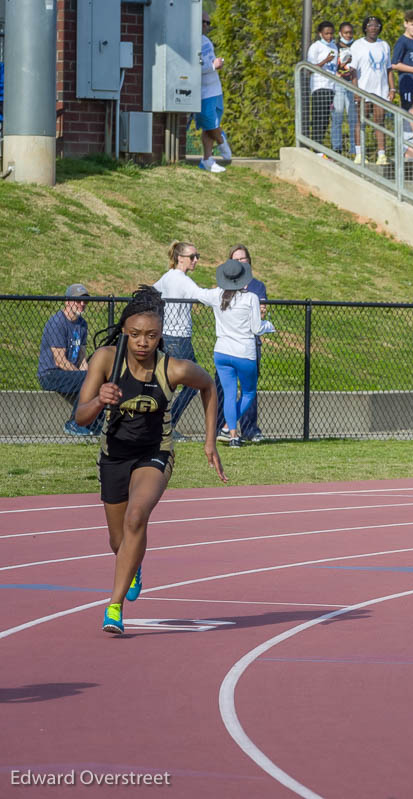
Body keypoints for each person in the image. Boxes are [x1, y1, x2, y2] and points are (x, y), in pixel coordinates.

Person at [75, 286, 226, 635]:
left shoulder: (172, 368)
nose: (143, 342)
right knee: (119, 542)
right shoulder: (105, 360)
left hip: (155, 453)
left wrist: (209, 442)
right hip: (114, 455)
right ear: (125, 332)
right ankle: (134, 563)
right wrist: (99, 400)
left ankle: (114, 607)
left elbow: (208, 386)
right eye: (135, 334)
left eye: (151, 336)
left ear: (160, 336)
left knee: (137, 516)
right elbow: (80, 417)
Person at [196, 260, 276, 447]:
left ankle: (231, 434)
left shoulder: (216, 295)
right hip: (244, 353)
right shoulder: (251, 298)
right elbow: (256, 327)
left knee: (230, 394)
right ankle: (228, 428)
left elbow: (198, 293)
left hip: (222, 352)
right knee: (248, 392)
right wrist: (269, 326)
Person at [153, 241, 207, 432]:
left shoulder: (168, 277)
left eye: (197, 256)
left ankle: (161, 424)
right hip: (179, 339)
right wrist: (224, 294)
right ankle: (168, 424)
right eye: (192, 257)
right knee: (194, 384)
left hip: (167, 337)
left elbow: (152, 291)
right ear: (180, 258)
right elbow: (200, 295)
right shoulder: (180, 279)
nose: (196, 260)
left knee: (167, 383)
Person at [38, 284, 99, 436]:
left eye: (85, 301)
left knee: (96, 378)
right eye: (78, 301)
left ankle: (93, 424)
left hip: (70, 373)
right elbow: (59, 360)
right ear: (67, 301)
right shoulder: (58, 322)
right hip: (51, 374)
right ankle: (73, 423)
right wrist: (83, 376)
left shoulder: (82, 324)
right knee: (87, 379)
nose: (82, 304)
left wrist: (90, 375)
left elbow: (82, 358)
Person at [222, 245, 268, 443]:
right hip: (228, 344)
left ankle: (249, 430)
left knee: (249, 389)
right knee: (227, 389)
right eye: (236, 260)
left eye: (244, 259)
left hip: (251, 343)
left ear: (249, 261)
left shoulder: (257, 286)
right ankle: (224, 427)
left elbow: (262, 311)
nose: (241, 263)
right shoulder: (224, 286)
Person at [350, 15, 393, 165]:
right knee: (361, 121)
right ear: (365, 28)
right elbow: (352, 70)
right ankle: (359, 154)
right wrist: (355, 90)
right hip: (363, 89)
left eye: (376, 25)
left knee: (379, 122)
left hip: (380, 90)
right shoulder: (357, 45)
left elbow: (389, 69)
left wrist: (392, 88)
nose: (373, 28)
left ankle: (381, 155)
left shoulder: (384, 45)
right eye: (370, 25)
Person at [196, 14, 231, 173]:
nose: (205, 25)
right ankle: (222, 142)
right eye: (203, 22)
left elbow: (211, 62)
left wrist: (217, 64)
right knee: (209, 122)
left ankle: (207, 160)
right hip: (202, 91)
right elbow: (193, 68)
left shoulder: (206, 41)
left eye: (208, 23)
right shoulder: (191, 41)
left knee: (209, 126)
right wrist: (212, 66)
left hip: (215, 88)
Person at [305, 21, 338, 145]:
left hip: (331, 87)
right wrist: (325, 60)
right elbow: (310, 68)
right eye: (326, 33)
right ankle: (316, 146)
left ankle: (320, 146)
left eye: (331, 33)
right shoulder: (316, 46)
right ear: (320, 34)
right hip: (319, 86)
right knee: (318, 117)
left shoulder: (334, 47)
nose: (329, 36)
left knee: (325, 119)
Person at [331, 22, 359, 158]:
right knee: (337, 116)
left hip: (352, 83)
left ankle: (354, 149)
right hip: (339, 84)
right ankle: (336, 148)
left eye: (350, 33)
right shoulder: (335, 47)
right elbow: (333, 66)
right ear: (340, 33)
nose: (348, 35)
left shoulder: (357, 47)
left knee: (353, 119)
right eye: (345, 33)